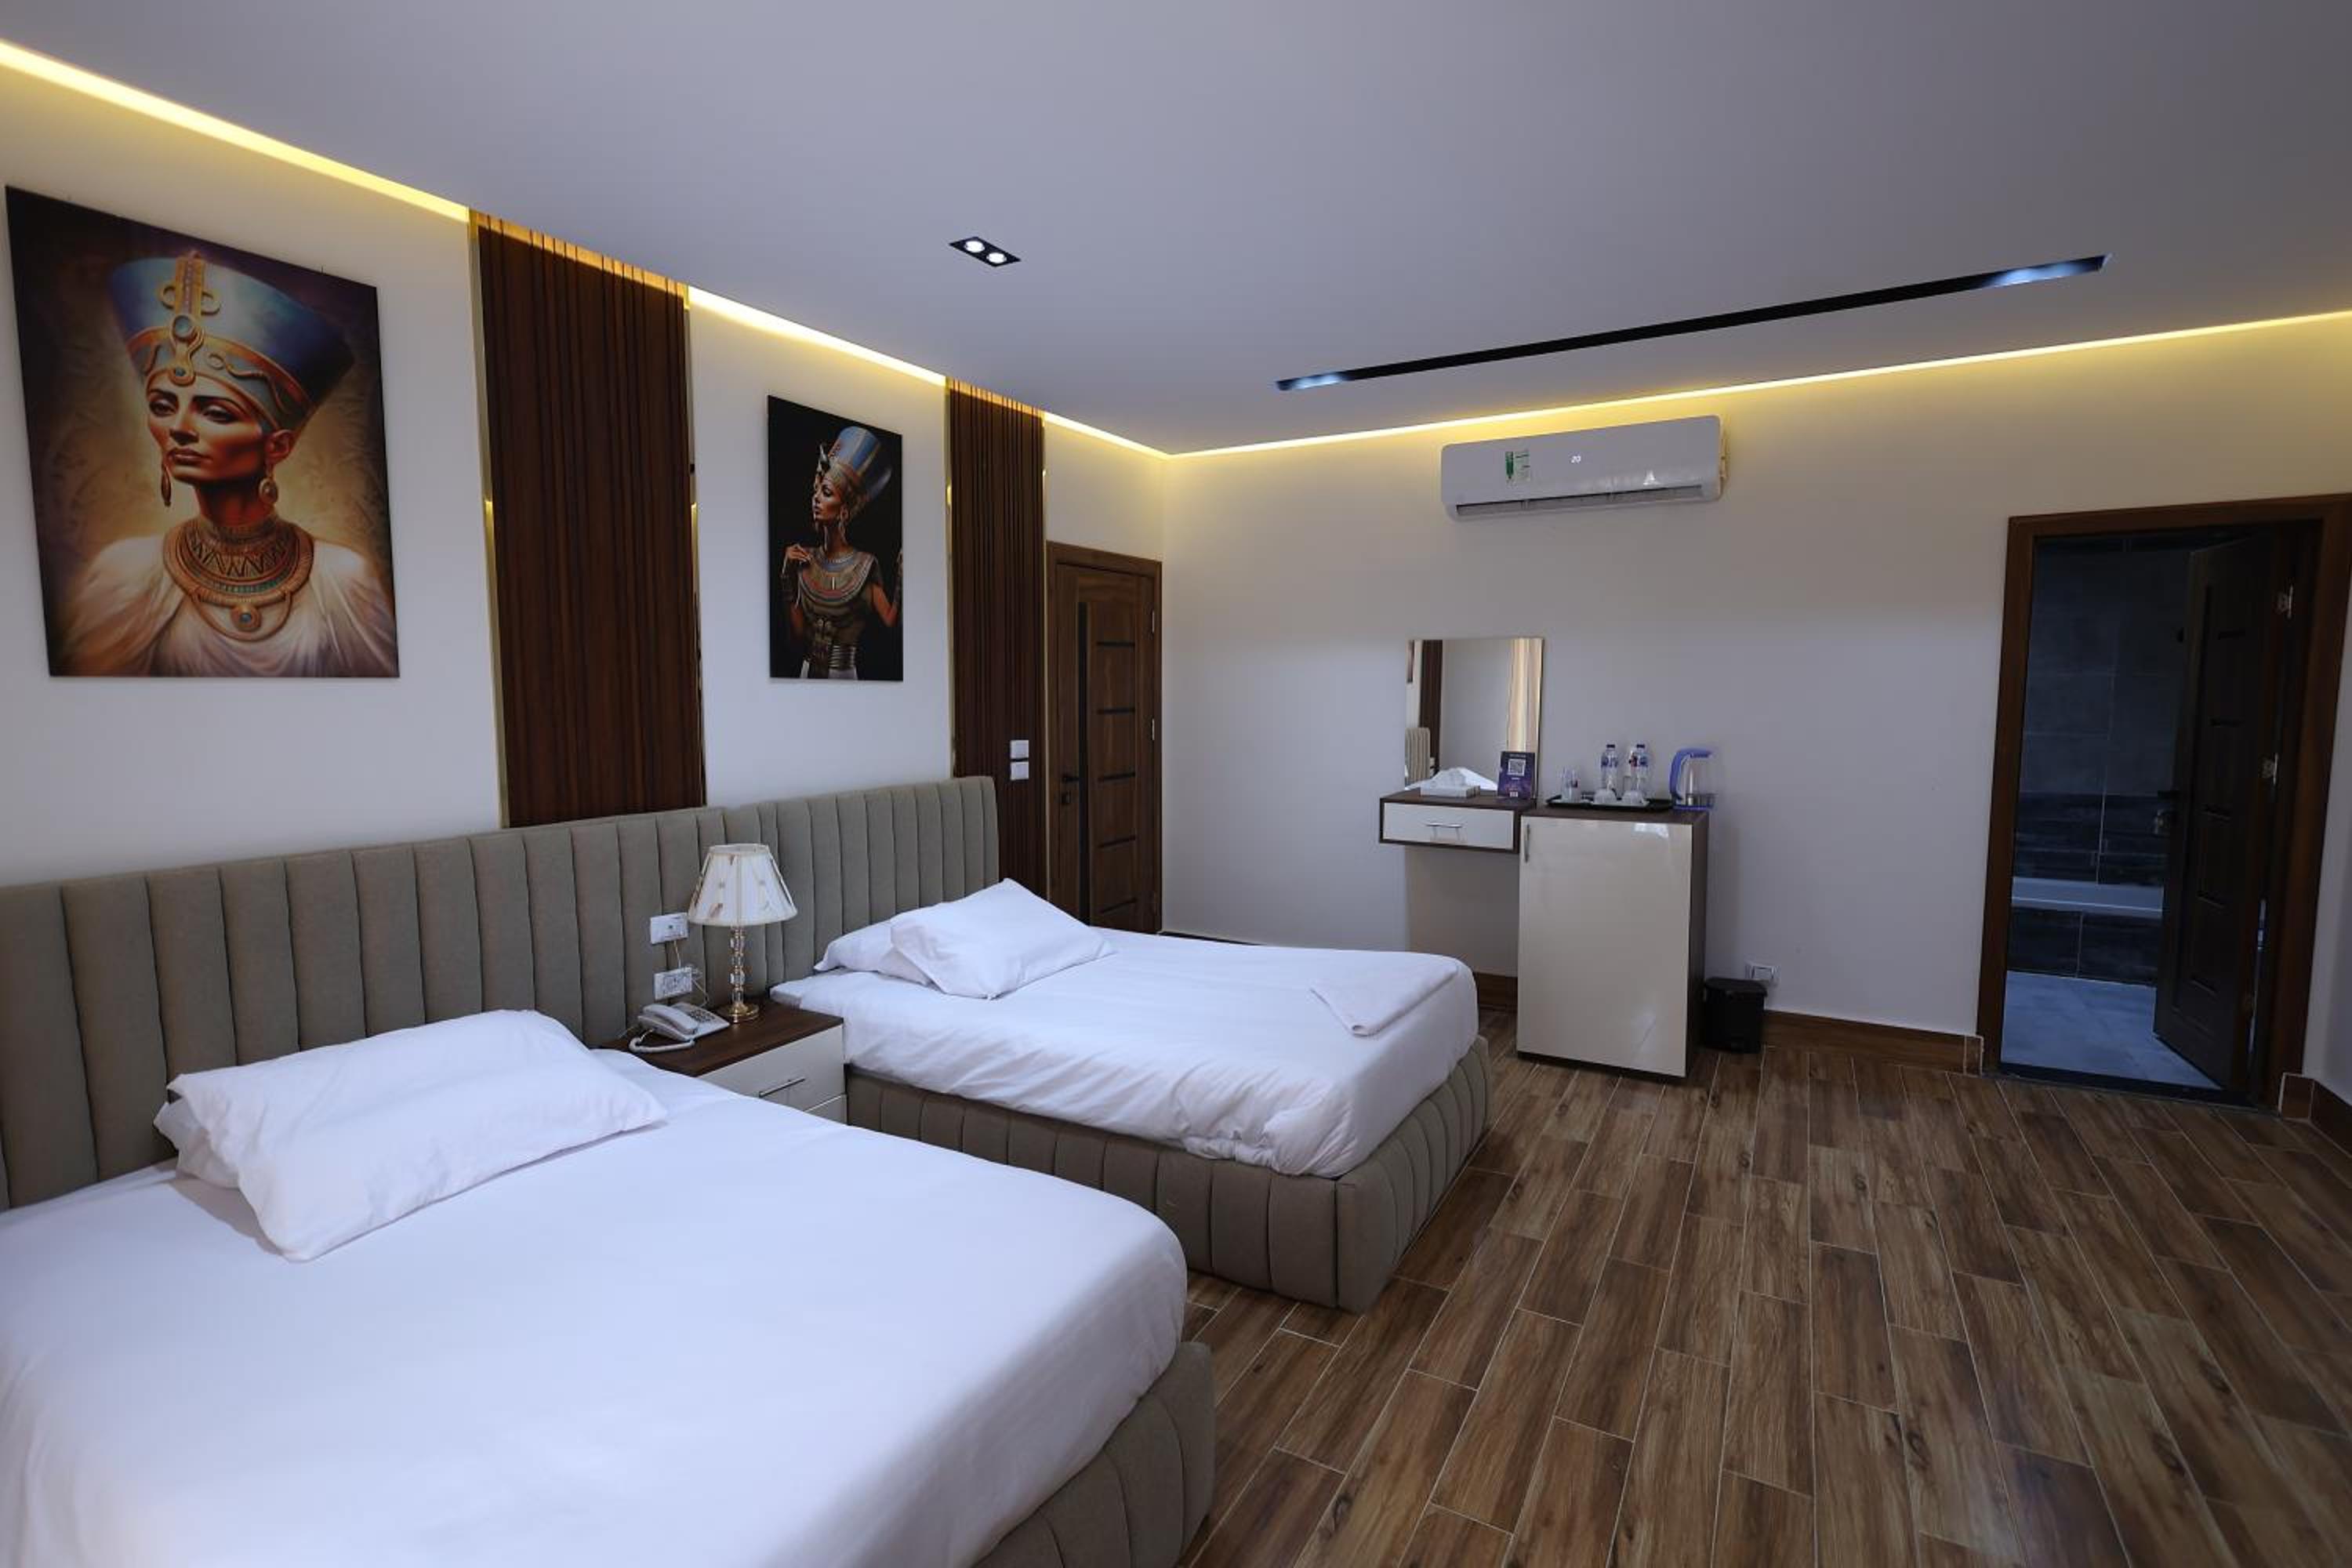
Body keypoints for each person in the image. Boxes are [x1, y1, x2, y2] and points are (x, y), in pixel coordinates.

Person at [58, 249, 397, 677]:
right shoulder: (125, 576)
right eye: (162, 406)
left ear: (278, 446)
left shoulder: (343, 582)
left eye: (216, 413)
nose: (179, 428)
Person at [781, 424, 899, 679]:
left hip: (843, 674)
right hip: (806, 674)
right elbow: (797, 638)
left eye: (826, 493)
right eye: (815, 490)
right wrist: (786, 578)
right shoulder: (804, 559)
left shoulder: (865, 564)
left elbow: (890, 621)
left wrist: (902, 580)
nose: (816, 498)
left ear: (844, 511)